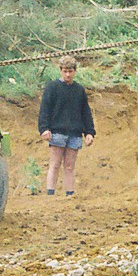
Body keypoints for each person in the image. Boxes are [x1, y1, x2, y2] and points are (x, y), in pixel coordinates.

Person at [37, 56, 95, 196]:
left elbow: (85, 112)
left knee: (69, 167)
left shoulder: (79, 90)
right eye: (65, 71)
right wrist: (44, 129)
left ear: (74, 71)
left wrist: (89, 132)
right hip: (57, 133)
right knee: (55, 165)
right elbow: (45, 109)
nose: (67, 74)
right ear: (60, 71)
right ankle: (50, 194)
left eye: (70, 71)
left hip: (74, 134)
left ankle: (70, 194)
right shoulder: (52, 87)